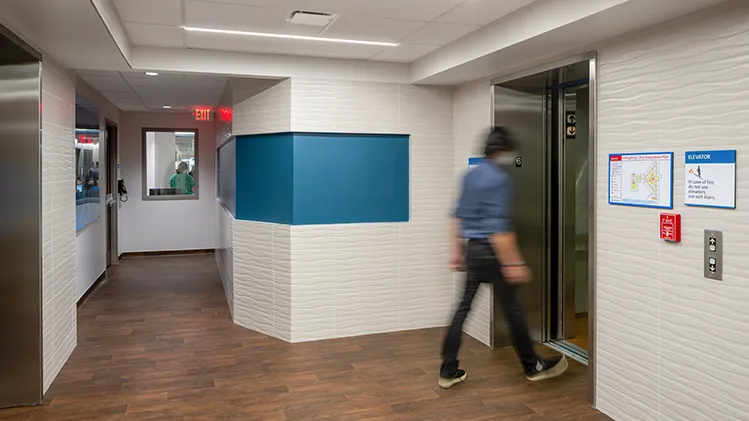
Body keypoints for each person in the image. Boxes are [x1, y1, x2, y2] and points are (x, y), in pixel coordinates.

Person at [439, 126, 568, 389]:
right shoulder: (500, 179)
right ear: (504, 150)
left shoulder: (470, 177)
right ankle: (533, 366)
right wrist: (514, 263)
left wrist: (456, 252)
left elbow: (456, 217)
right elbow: (500, 231)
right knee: (513, 313)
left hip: (473, 250)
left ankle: (447, 370)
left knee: (462, 309)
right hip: (493, 255)